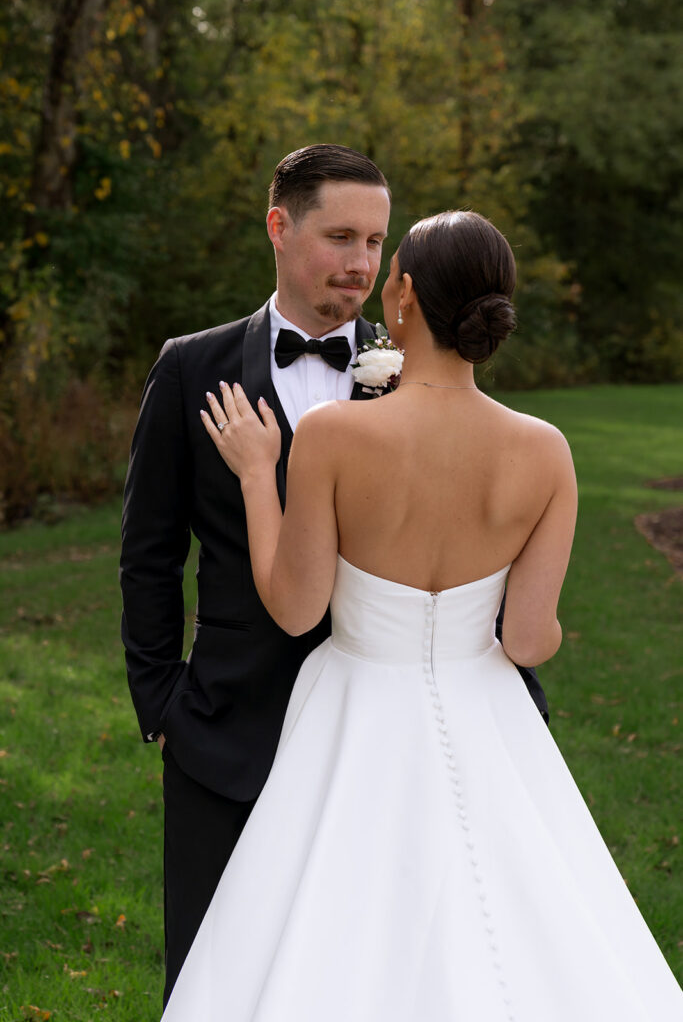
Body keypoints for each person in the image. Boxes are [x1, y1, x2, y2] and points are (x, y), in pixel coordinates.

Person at [160, 210, 683, 1020]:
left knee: (339, 923)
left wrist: (260, 476)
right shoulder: (545, 449)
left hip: (353, 708)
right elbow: (528, 638)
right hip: (487, 712)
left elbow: (296, 610)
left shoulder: (334, 434)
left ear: (402, 295)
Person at [120, 146, 547, 1007]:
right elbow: (149, 554)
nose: (360, 262)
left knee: (385, 974)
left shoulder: (422, 372)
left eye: (376, 242)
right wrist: (162, 705)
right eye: (341, 237)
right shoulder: (192, 367)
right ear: (279, 226)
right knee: (221, 979)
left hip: (395, 740)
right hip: (227, 730)